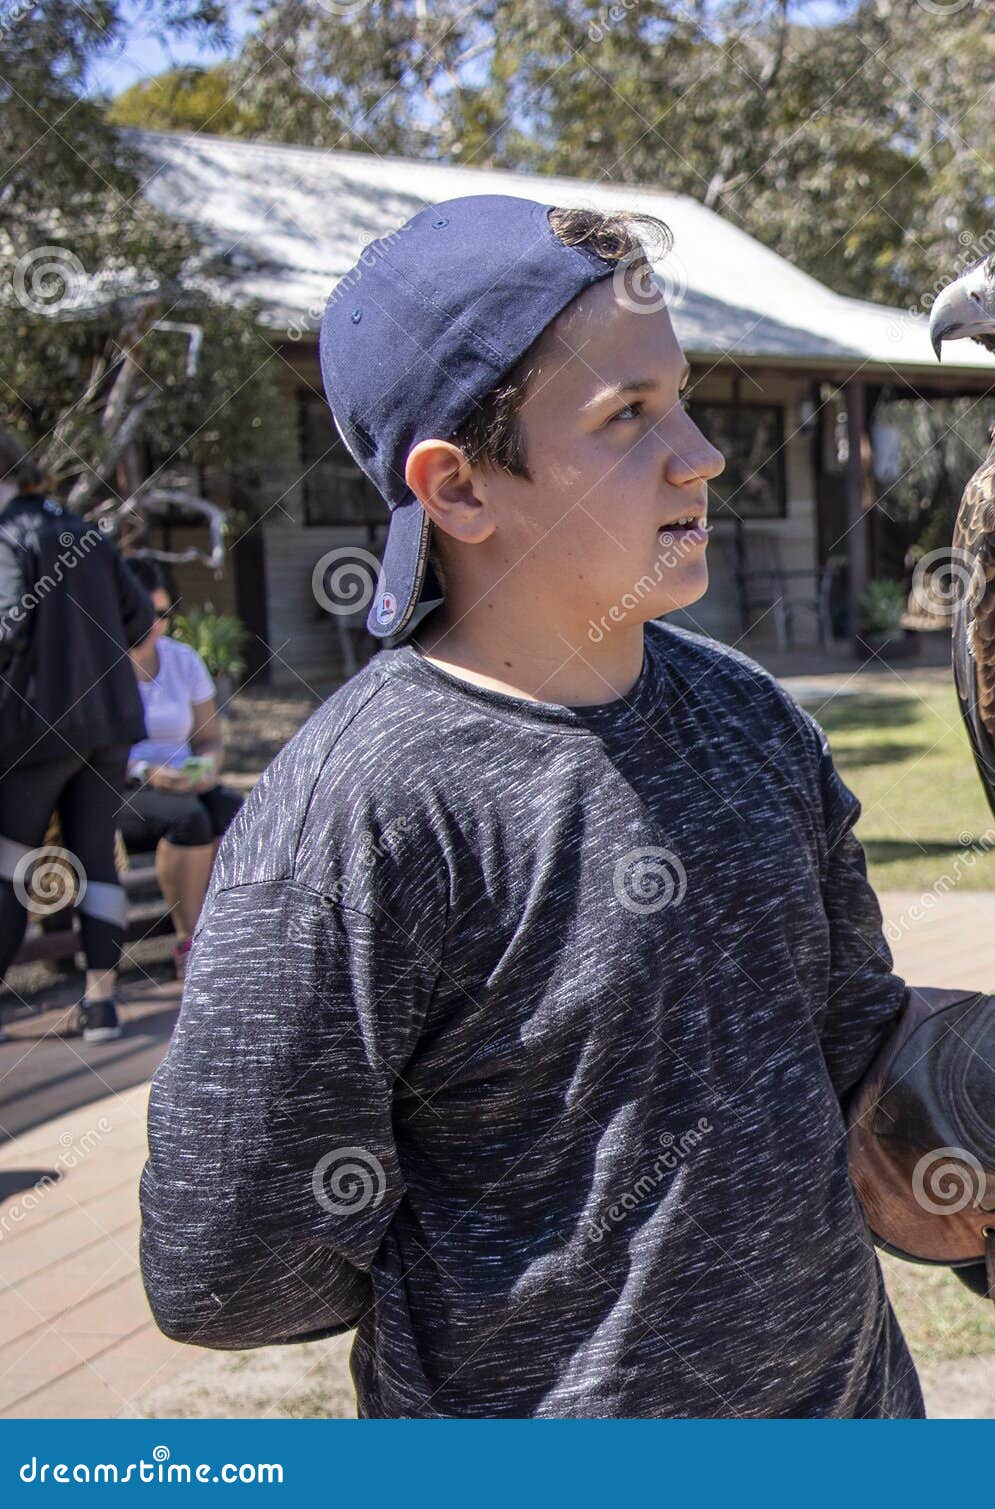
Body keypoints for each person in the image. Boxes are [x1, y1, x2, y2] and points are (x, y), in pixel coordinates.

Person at [138, 196, 927, 1418]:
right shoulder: (361, 817)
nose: (703, 454)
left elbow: (860, 1054)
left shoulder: (756, 724)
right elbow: (221, 1270)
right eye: (628, 417)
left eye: (680, 397)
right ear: (456, 488)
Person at [0, 436, 154, 1044]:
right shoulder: (85, 534)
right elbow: (141, 618)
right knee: (96, 857)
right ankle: (102, 1005)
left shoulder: (9, 536)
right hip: (109, 725)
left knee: (12, 862)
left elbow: (7, 625)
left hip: (35, 732)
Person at [118, 559, 243, 979]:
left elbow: (209, 739)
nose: (155, 624)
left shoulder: (183, 659)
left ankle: (232, 932)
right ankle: (190, 941)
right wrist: (148, 774)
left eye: (163, 613)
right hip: (121, 785)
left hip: (182, 781)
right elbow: (88, 752)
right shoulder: (99, 663)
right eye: (144, 613)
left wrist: (206, 768)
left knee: (234, 809)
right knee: (190, 820)